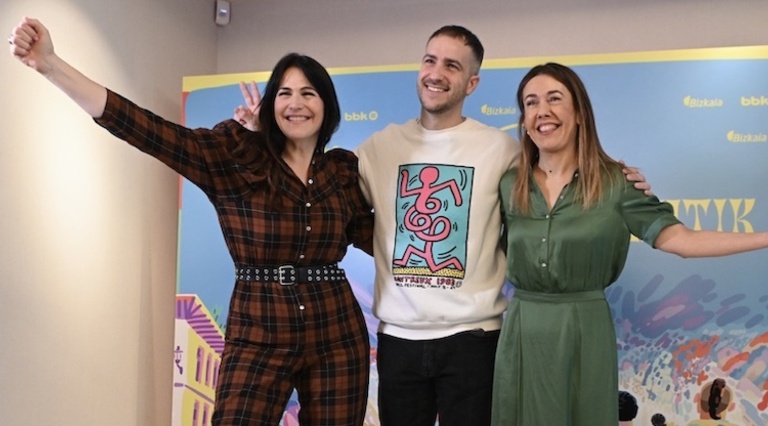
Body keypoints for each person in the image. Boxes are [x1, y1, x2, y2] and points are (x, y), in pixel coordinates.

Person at [235, 25, 651, 426]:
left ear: (472, 83)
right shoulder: (379, 147)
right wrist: (262, 140)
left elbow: (557, 177)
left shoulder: (502, 149)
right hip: (398, 340)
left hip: (474, 339)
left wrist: (615, 176)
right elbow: (311, 190)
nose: (436, 73)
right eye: (430, 60)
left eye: (452, 65)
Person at [9, 17, 375, 426]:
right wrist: (51, 64)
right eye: (284, 93)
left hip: (337, 332)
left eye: (309, 93)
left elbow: (382, 241)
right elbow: (147, 130)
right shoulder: (234, 157)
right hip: (259, 330)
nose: (296, 104)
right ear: (271, 104)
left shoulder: (341, 172)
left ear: (327, 106)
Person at [491, 62, 768, 425]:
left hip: (585, 329)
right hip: (523, 330)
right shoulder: (507, 184)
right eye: (531, 102)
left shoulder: (616, 184)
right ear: (524, 120)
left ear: (579, 113)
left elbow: (681, 239)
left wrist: (764, 238)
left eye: (554, 99)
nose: (542, 110)